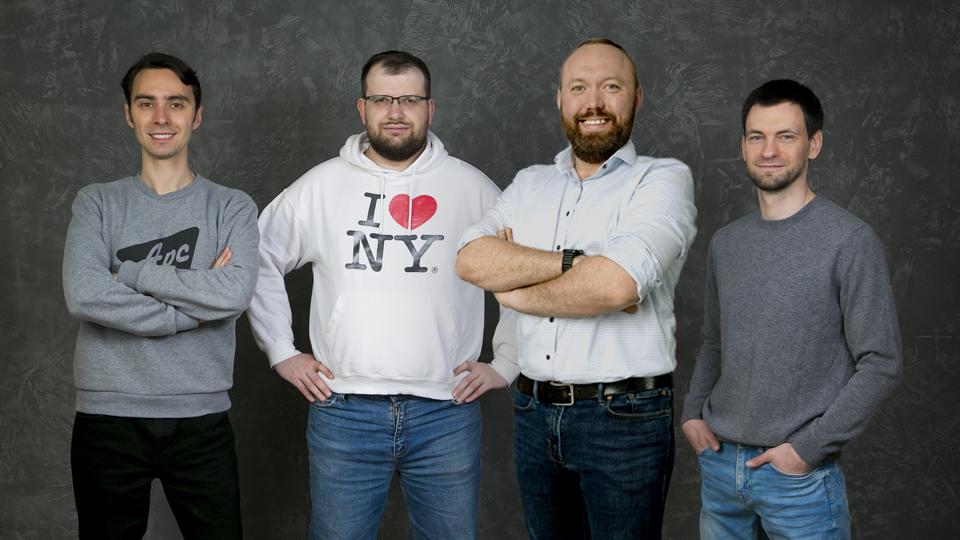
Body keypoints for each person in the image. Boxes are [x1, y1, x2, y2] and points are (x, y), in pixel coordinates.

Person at [247, 50, 515, 540]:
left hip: (446, 411)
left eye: (410, 99)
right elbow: (257, 256)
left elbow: (521, 271)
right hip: (344, 410)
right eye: (382, 99)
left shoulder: (472, 188)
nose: (396, 111)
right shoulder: (323, 185)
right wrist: (281, 351)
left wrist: (508, 360)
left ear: (430, 109)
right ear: (361, 108)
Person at [456, 38, 697, 539]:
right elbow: (470, 259)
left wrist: (515, 287)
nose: (594, 102)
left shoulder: (663, 180)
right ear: (559, 99)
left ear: (636, 98)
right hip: (531, 413)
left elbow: (614, 285)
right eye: (579, 88)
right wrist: (575, 264)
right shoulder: (530, 183)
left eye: (611, 87)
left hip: (623, 419)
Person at [680, 79, 902, 539]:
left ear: (814, 144)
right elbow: (714, 342)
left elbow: (881, 362)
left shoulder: (849, 241)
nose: (769, 150)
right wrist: (692, 412)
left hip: (797, 479)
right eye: (757, 136)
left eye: (786, 136)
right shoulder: (727, 243)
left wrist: (808, 448)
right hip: (720, 469)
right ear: (743, 146)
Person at [62, 52, 259, 538]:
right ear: (128, 115)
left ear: (198, 114)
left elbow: (233, 293)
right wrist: (191, 312)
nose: (162, 118)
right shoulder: (97, 202)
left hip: (201, 419)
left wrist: (127, 272)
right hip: (108, 418)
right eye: (146, 104)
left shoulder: (232, 206)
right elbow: (85, 294)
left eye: (176, 103)